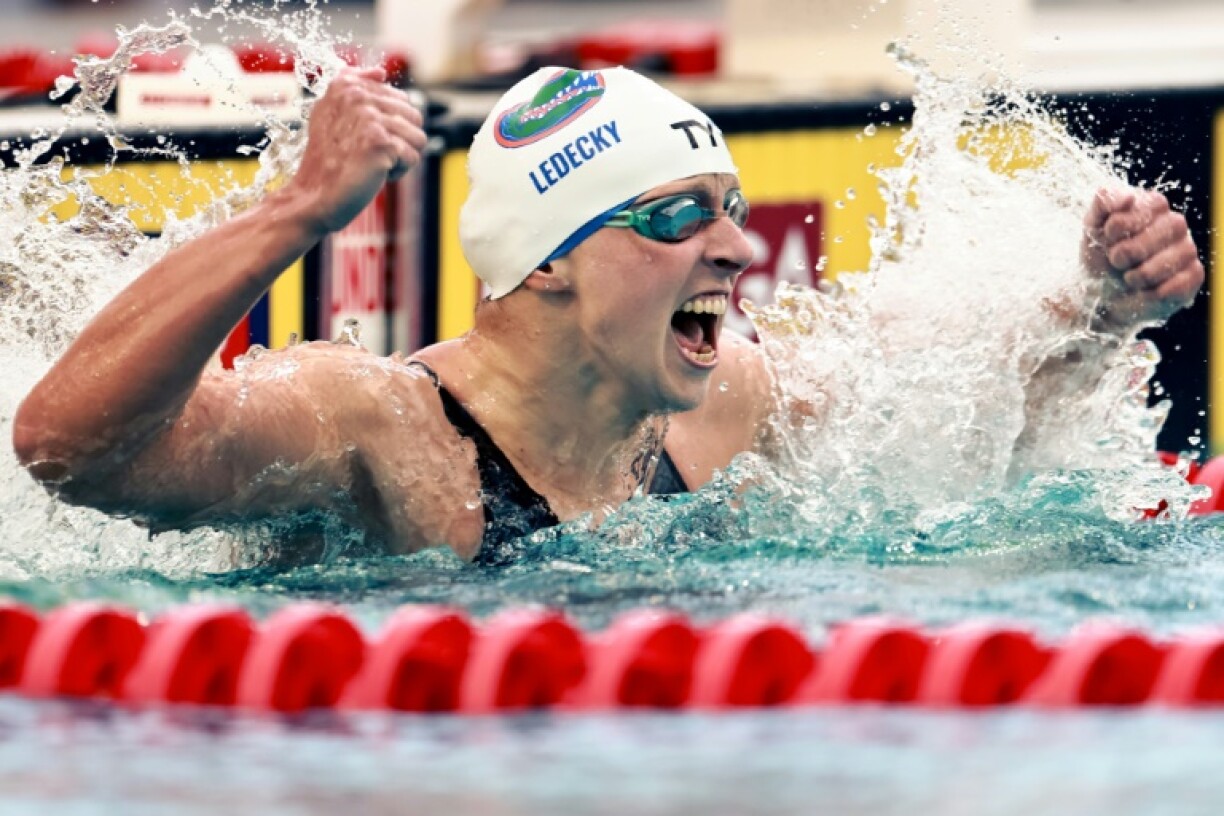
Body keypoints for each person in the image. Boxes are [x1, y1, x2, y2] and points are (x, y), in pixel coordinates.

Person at [11, 66, 1205, 565]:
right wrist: (293, 213)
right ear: (547, 263)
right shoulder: (378, 430)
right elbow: (68, 449)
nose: (736, 247)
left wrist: (1098, 307)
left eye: (732, 208)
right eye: (679, 214)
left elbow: (976, 429)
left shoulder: (725, 404)